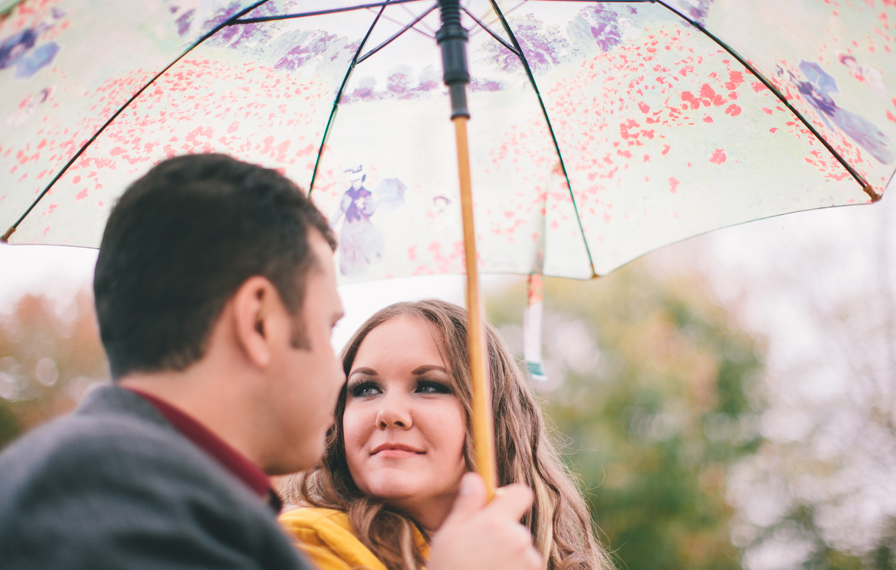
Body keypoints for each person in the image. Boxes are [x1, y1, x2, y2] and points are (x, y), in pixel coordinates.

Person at [0, 153, 541, 570]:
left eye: (429, 386)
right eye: (328, 329)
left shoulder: (172, 495)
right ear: (259, 321)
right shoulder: (108, 497)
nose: (338, 379)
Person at [280, 299, 615, 570]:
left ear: (495, 418)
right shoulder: (304, 545)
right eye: (366, 389)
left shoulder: (548, 558)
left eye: (429, 386)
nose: (389, 413)